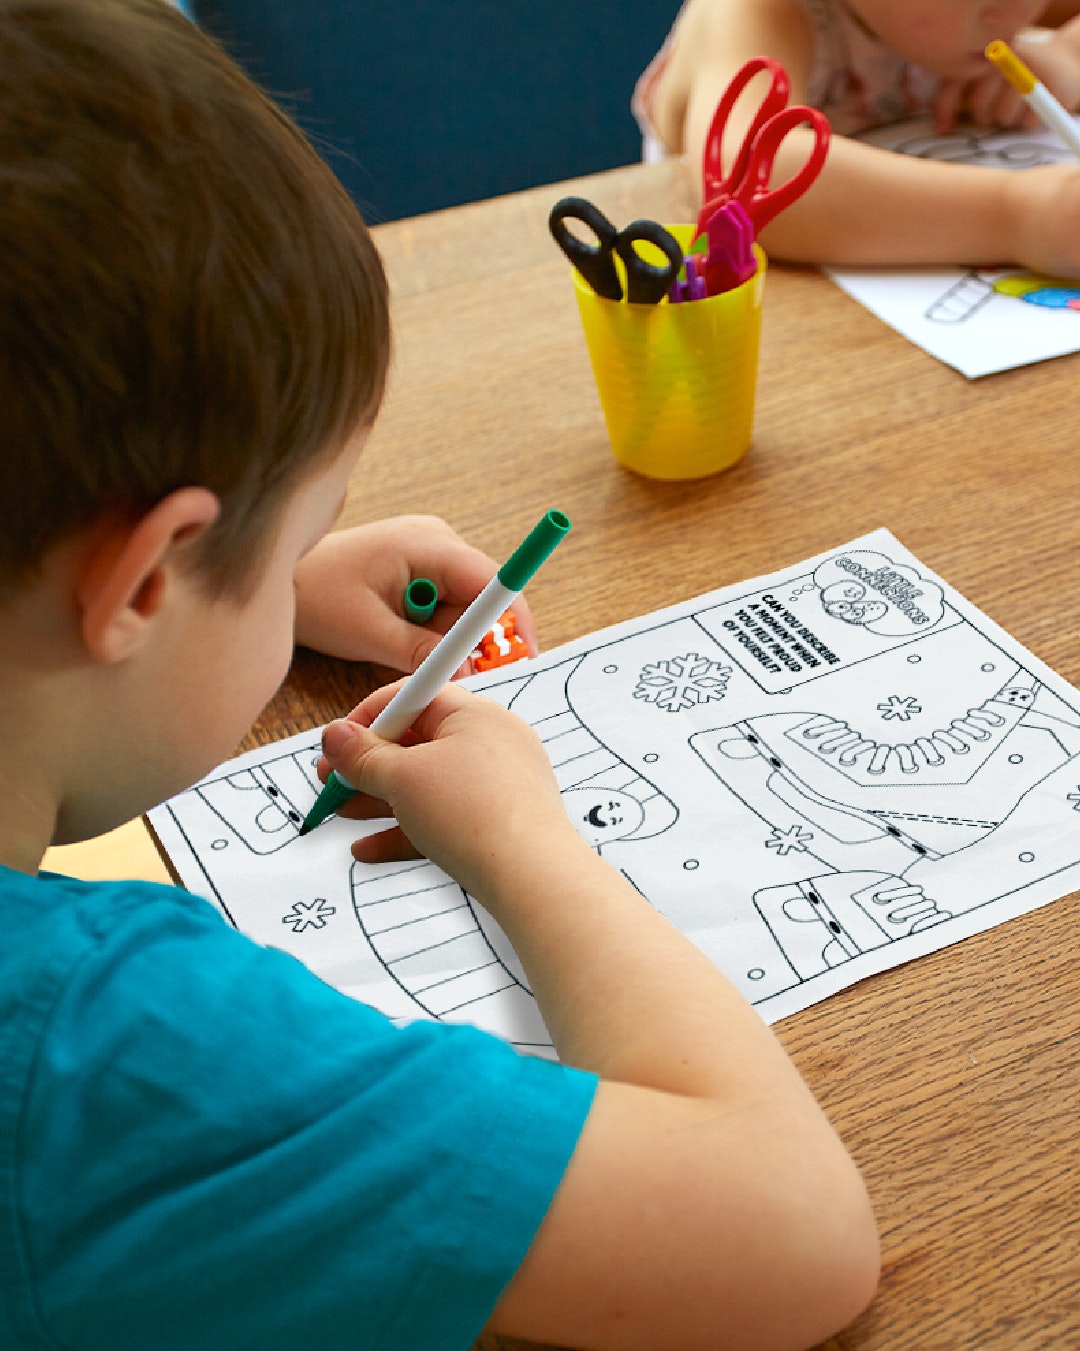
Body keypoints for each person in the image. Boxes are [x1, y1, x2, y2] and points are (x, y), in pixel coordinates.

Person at [0, 2, 879, 1349]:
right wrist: (526, 840)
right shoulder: (97, 1054)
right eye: (299, 522)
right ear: (145, 579)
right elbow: (794, 1235)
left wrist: (265, 587)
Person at [636, 0, 1080, 271]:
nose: (1016, 15)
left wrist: (1067, 53)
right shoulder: (760, 9)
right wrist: (1017, 216)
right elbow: (748, 180)